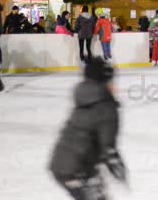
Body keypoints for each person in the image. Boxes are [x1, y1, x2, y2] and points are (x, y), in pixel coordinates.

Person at [49, 57, 127, 200]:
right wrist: (119, 170)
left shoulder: (84, 98)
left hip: (60, 163)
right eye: (111, 80)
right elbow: (108, 149)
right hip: (78, 168)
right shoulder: (106, 107)